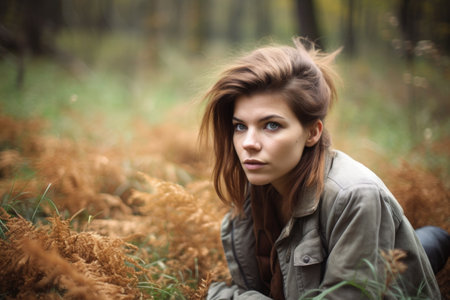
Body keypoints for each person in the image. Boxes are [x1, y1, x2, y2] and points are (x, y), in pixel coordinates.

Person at [199, 38, 442, 299]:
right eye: (240, 126)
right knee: (430, 241)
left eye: (271, 125)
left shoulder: (356, 197)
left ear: (312, 132)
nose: (249, 144)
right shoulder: (253, 191)